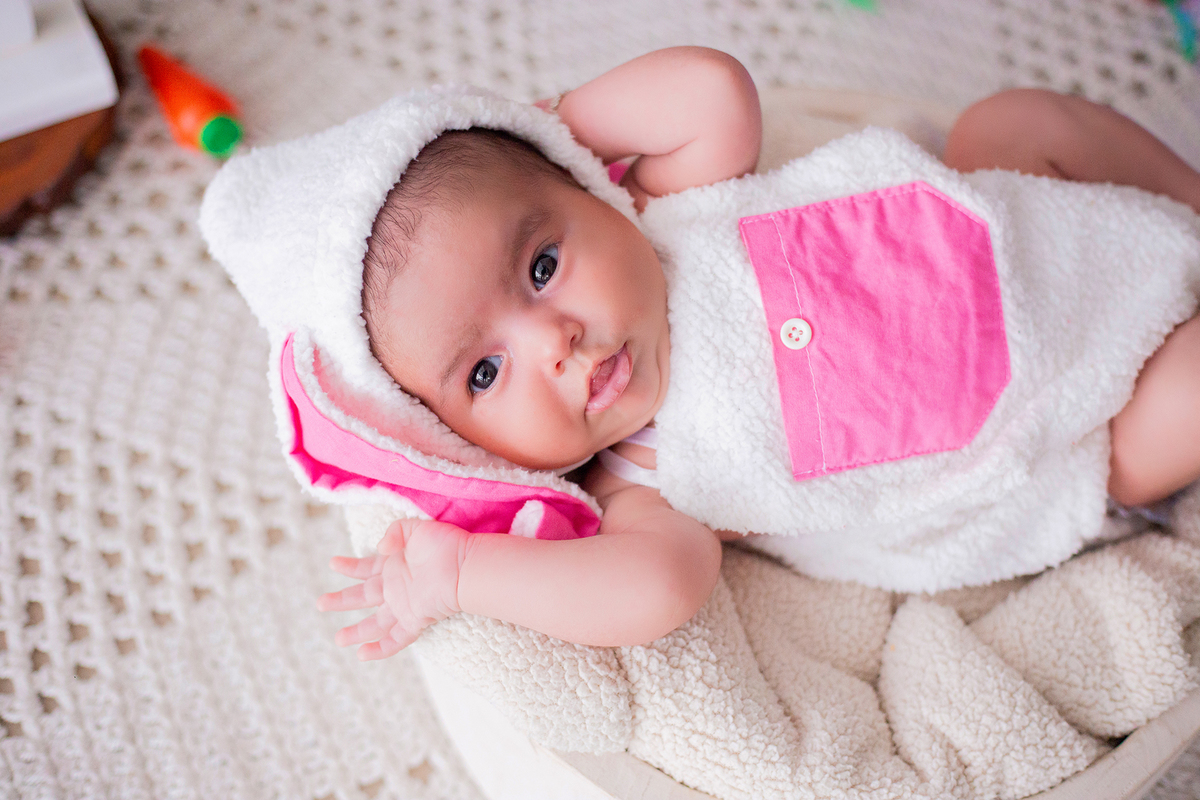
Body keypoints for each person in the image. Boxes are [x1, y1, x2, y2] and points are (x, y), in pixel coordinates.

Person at [237, 48, 1200, 660]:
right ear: (460, 446)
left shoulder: (671, 214)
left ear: (589, 190)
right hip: (1058, 439)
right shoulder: (645, 483)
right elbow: (654, 590)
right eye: (484, 375)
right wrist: (456, 576)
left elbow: (710, 90)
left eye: (540, 265)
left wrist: (540, 125)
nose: (554, 341)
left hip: (1033, 232)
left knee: (1018, 121)